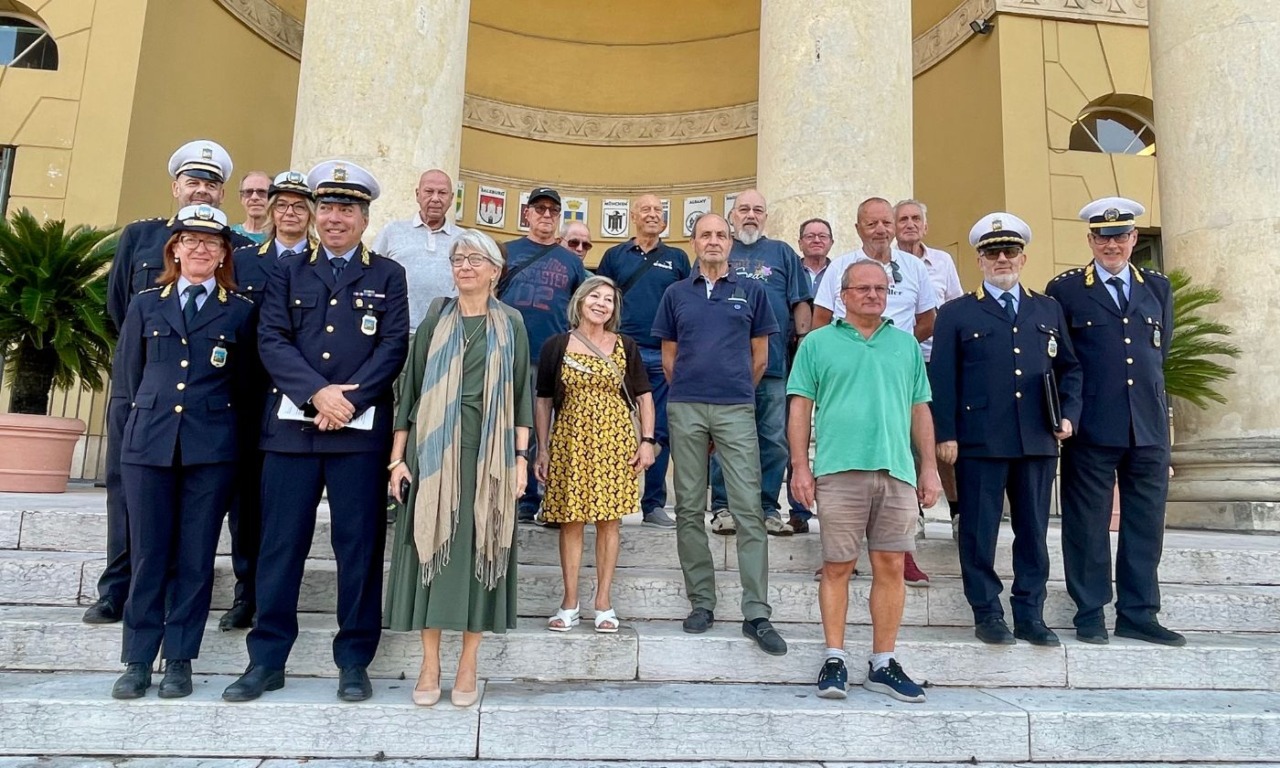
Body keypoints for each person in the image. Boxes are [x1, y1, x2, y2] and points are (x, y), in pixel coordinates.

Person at [223, 161, 410, 703]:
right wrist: (317, 394)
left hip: (357, 433)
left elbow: (393, 345)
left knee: (359, 548)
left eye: (345, 209)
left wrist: (345, 401)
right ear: (313, 213)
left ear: (364, 217)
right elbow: (272, 339)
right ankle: (267, 659)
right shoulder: (288, 269)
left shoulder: (387, 274)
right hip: (292, 432)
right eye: (326, 207)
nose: (334, 218)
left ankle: (354, 659)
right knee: (280, 546)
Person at [89, 139, 251, 626]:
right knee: (126, 487)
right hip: (141, 385)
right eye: (193, 182)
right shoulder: (141, 237)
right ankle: (118, 587)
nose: (200, 191)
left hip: (205, 396)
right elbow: (123, 306)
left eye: (211, 185)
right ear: (175, 186)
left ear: (222, 194)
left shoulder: (235, 247)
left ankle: (200, 595)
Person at [110, 205, 257, 699]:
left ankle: (179, 660)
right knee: (149, 554)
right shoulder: (147, 304)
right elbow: (129, 379)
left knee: (195, 558)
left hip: (210, 449)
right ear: (173, 248)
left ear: (223, 255)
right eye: (189, 240)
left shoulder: (239, 310)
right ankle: (136, 659)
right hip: (149, 445)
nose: (199, 249)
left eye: (210, 243)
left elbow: (246, 387)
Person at [383, 230, 532, 707]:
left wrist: (521, 460)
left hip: (487, 456)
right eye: (458, 258)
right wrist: (396, 459)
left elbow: (521, 395)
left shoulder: (512, 323)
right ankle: (431, 664)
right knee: (429, 548)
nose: (464, 266)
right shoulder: (435, 319)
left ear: (495, 271)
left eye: (474, 259)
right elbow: (409, 391)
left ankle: (469, 663)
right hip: (432, 453)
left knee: (479, 550)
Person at [789, 260, 941, 702]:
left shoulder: (906, 345)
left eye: (881, 288)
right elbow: (799, 407)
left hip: (896, 470)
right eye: (864, 288)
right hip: (839, 469)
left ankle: (883, 662)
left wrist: (928, 467)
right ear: (843, 294)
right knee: (837, 566)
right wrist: (801, 466)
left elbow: (920, 408)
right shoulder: (817, 344)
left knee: (892, 566)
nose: (874, 295)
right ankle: (834, 657)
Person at [930, 213, 1082, 647]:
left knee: (1033, 531)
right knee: (979, 531)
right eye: (992, 252)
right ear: (979, 260)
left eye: (1009, 251)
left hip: (1036, 437)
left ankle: (1030, 613)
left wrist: (1068, 415)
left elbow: (1070, 367)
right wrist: (946, 433)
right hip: (980, 439)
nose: (1001, 259)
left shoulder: (1047, 308)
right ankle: (987, 612)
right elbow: (943, 378)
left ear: (1023, 257)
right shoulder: (956, 312)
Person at [1045, 196, 1184, 647]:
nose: (1113, 245)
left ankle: (1139, 612)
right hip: (1092, 424)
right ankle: (1089, 611)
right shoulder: (1065, 290)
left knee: (1145, 522)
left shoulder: (1157, 287)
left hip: (1146, 424)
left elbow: (1157, 356)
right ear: (1090, 240)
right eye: (1103, 237)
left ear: (1134, 238)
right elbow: (1062, 361)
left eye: (1121, 236)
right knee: (1087, 522)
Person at [652, 212, 787, 656]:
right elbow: (669, 358)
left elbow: (760, 357)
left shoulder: (753, 291)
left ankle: (756, 611)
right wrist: (694, 394)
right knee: (689, 506)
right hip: (686, 405)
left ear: (731, 244)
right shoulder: (675, 294)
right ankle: (702, 602)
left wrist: (732, 393)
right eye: (705, 235)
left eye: (721, 235)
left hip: (735, 408)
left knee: (748, 507)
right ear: (694, 243)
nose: (714, 241)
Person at [812, 196, 939, 587]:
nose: (882, 230)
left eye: (887, 223)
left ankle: (906, 552)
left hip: (898, 377)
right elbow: (819, 320)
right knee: (843, 462)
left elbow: (927, 319)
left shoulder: (915, 267)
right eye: (873, 224)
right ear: (858, 229)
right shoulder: (840, 268)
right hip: (848, 374)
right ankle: (838, 554)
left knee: (903, 461)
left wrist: (890, 351)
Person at [219, 170, 316, 632]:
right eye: (283, 205)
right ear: (270, 210)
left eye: (300, 206)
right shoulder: (244, 262)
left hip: (300, 401)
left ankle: (278, 595)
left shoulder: (324, 262)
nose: (290, 213)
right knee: (247, 503)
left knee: (285, 505)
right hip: (250, 397)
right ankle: (246, 592)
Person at [535, 276, 656, 634]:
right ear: (580, 301)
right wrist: (542, 448)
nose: (602, 303)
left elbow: (644, 395)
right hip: (570, 441)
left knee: (609, 522)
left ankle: (603, 602)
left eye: (609, 299)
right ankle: (569, 602)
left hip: (615, 441)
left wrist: (646, 440)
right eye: (595, 296)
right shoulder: (556, 345)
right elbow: (543, 400)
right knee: (570, 521)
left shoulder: (625, 345)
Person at [707, 190, 811, 537]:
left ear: (765, 216)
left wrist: (804, 348)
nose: (750, 215)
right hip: (724, 367)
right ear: (732, 215)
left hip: (774, 366)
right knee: (725, 438)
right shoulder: (719, 249)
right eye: (743, 210)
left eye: (758, 210)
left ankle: (767, 508)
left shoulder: (782, 253)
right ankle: (723, 507)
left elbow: (800, 304)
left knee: (773, 439)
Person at [595, 195, 692, 529]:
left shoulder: (678, 258)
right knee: (612, 427)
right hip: (619, 349)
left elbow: (687, 304)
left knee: (659, 429)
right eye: (646, 210)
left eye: (658, 211)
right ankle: (608, 499)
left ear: (665, 220)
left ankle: (653, 504)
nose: (652, 215)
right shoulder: (614, 256)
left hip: (663, 352)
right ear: (633, 216)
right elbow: (599, 299)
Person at [497, 187, 589, 523]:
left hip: (552, 355)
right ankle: (509, 492)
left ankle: (542, 498)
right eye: (539, 209)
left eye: (553, 210)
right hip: (507, 352)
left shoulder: (570, 261)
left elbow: (582, 310)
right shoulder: (507, 251)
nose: (546, 215)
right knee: (507, 425)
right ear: (527, 213)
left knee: (548, 429)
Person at [895, 199, 965, 539]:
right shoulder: (883, 263)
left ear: (926, 225)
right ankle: (912, 511)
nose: (909, 224)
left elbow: (954, 309)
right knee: (904, 439)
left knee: (943, 439)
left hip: (937, 361)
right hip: (895, 364)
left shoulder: (943, 262)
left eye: (915, 218)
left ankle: (956, 511)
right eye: (903, 219)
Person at [787, 217, 835, 533]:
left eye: (822, 235)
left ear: (831, 241)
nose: (816, 240)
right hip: (793, 356)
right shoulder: (792, 270)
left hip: (834, 359)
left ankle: (833, 507)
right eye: (810, 236)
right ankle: (798, 510)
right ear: (800, 241)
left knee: (831, 430)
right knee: (794, 431)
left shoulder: (842, 271)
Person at [372, 169, 462, 329]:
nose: (435, 198)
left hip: (447, 334)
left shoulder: (464, 239)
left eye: (442, 193)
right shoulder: (392, 231)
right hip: (398, 332)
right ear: (417, 194)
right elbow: (373, 278)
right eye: (429, 191)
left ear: (451, 198)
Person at [232, 171, 272, 243]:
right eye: (248, 192)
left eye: (262, 192)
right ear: (241, 198)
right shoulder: (230, 235)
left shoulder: (279, 237)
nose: (254, 197)